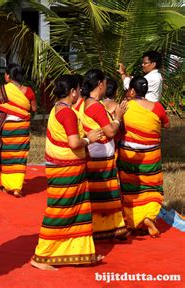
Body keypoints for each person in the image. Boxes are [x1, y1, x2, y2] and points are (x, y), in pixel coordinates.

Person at [31, 74, 104, 271]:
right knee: (60, 211)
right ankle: (42, 255)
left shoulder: (58, 109)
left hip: (65, 167)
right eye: (79, 90)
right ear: (72, 92)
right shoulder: (68, 113)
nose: (80, 93)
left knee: (75, 212)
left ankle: (76, 252)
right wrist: (89, 139)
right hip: (66, 169)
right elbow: (74, 143)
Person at [78, 69, 128, 240]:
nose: (106, 86)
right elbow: (111, 132)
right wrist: (118, 118)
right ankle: (105, 229)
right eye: (105, 82)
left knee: (101, 194)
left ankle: (104, 228)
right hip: (99, 155)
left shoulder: (88, 103)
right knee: (105, 195)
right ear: (100, 84)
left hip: (96, 153)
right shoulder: (96, 107)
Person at [117, 76, 169, 238]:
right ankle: (148, 217)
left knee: (130, 188)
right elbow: (166, 124)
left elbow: (118, 125)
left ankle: (134, 220)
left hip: (129, 156)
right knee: (152, 188)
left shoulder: (125, 106)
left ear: (132, 90)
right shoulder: (157, 107)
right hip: (151, 157)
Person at [0, 63, 37, 197]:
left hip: (7, 128)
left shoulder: (1, 91)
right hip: (22, 128)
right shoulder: (28, 91)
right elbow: (33, 109)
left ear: (8, 76)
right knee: (20, 157)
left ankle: (7, 185)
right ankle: (17, 187)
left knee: (7, 157)